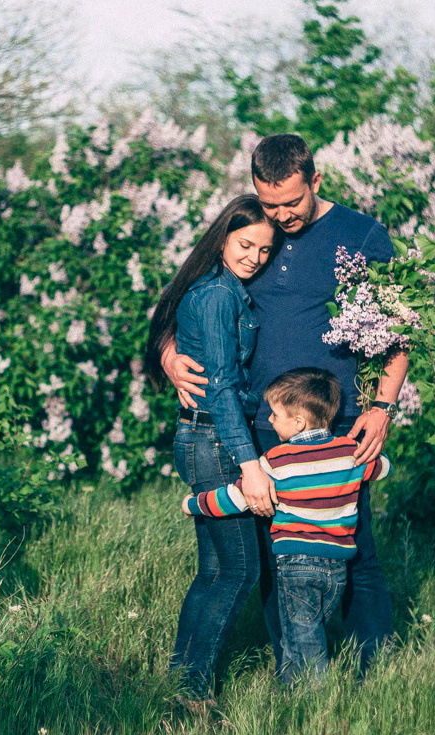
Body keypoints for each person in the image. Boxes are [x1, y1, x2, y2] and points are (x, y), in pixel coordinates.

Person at [161, 133, 409, 676]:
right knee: (280, 555)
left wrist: (382, 407)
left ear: (315, 181)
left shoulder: (361, 235)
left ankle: (375, 669)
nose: (280, 216)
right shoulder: (257, 235)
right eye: (268, 203)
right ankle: (295, 671)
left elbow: (398, 329)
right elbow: (192, 300)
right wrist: (169, 354)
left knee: (354, 548)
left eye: (291, 203)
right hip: (262, 423)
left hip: (338, 422)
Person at [144, 195, 277, 706]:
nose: (254, 258)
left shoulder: (216, 288)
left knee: (216, 570)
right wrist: (250, 467)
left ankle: (181, 678)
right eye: (245, 244)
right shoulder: (219, 296)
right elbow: (222, 388)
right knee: (240, 572)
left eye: (264, 250)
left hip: (202, 436)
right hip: (216, 441)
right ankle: (193, 689)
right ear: (223, 237)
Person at [182, 368, 391, 684]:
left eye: (275, 414)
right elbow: (383, 468)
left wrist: (195, 504)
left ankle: (312, 702)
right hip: (337, 567)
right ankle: (293, 692)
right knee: (305, 634)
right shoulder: (349, 452)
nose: (269, 420)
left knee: (304, 641)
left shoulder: (277, 460)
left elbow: (237, 498)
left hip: (297, 567)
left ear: (299, 422)